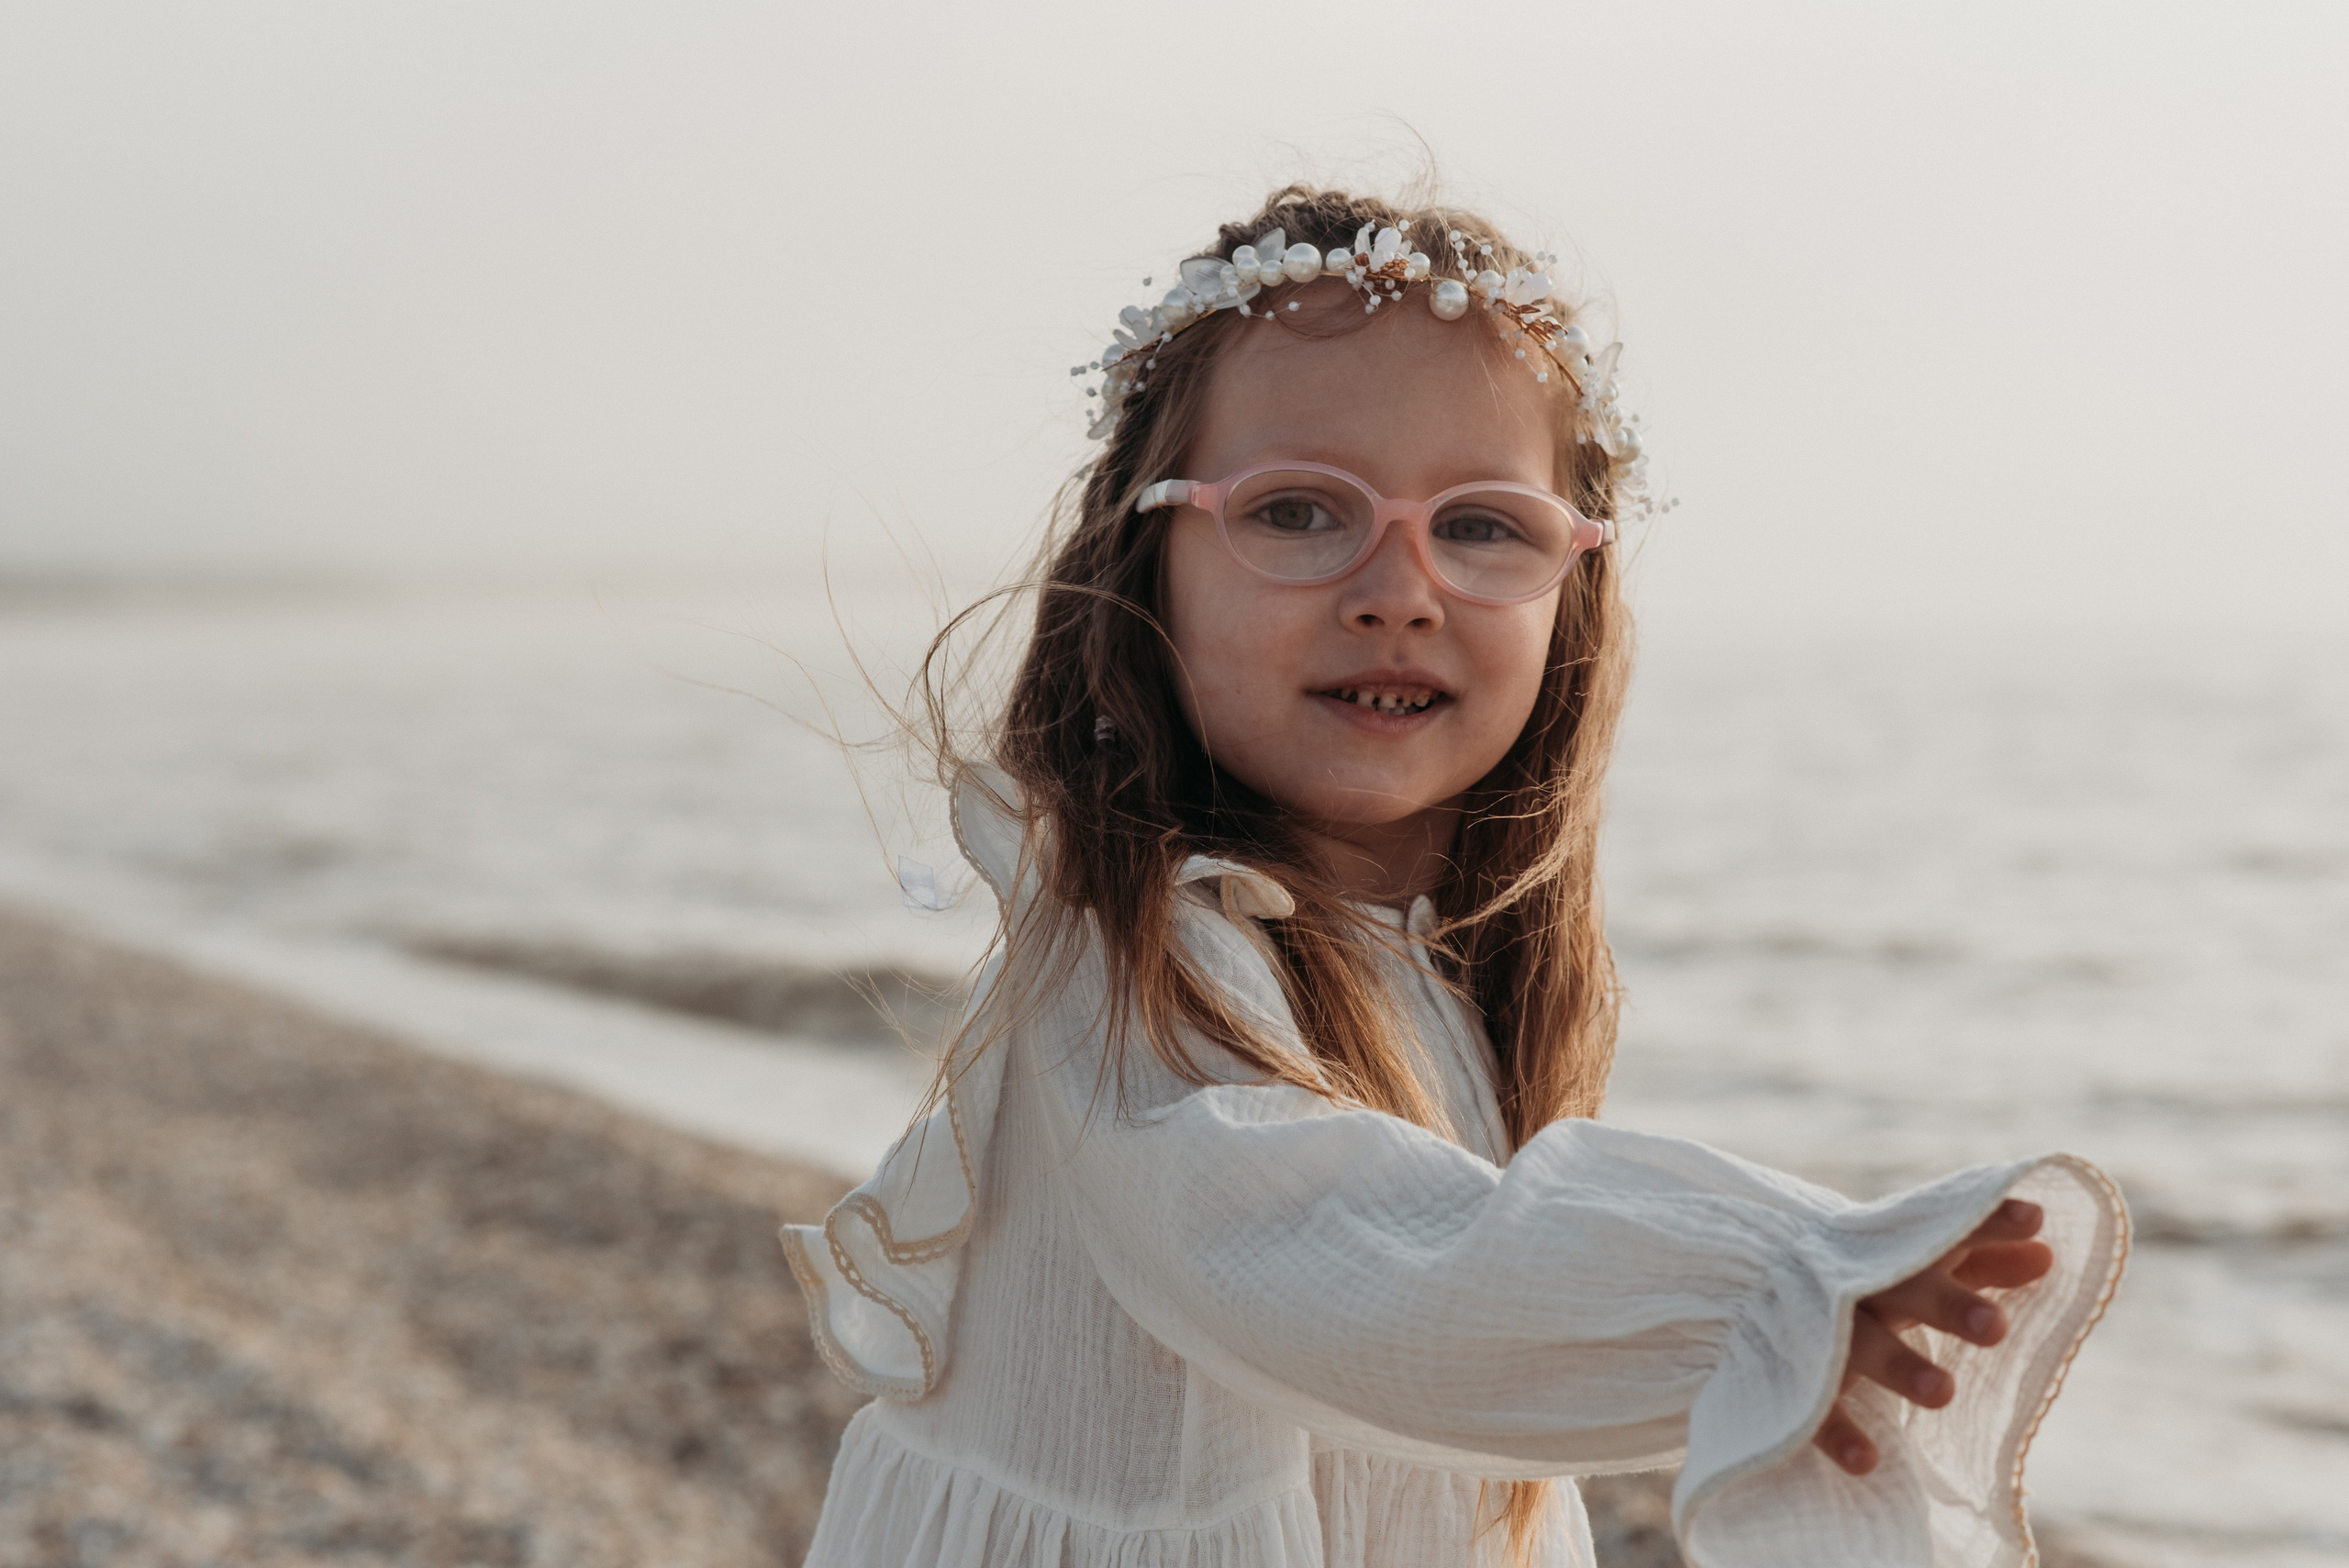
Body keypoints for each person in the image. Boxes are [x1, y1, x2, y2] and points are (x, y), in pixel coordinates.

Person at [781, 184, 2129, 1568]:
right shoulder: (1131, 949)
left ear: (1571, 588)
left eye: (1483, 526)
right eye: (1298, 510)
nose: (1398, 588)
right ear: (1147, 555)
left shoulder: (1443, 960)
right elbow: (1337, 1254)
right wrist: (1768, 1287)